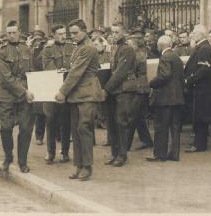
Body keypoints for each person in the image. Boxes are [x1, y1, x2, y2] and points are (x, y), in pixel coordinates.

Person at [55, 19, 105, 181]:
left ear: (85, 30)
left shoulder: (88, 48)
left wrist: (62, 91)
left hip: (87, 94)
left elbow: (76, 72)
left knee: (84, 129)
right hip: (77, 95)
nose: (73, 36)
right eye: (71, 33)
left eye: (76, 33)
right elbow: (73, 71)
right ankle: (79, 164)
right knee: (76, 130)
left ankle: (87, 166)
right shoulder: (79, 48)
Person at [0, 20, 35, 173]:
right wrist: (24, 91)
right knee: (5, 128)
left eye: (14, 32)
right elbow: (6, 77)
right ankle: (8, 156)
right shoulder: (1, 52)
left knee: (25, 129)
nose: (11, 35)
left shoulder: (27, 49)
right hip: (6, 95)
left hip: (25, 95)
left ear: (19, 32)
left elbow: (32, 72)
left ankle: (22, 162)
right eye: (8, 33)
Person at [146, 35, 185, 162]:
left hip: (165, 97)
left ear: (160, 45)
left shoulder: (165, 57)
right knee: (174, 127)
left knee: (161, 126)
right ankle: (174, 154)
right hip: (177, 97)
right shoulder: (176, 57)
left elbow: (164, 75)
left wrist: (152, 83)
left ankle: (159, 154)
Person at [103, 23, 137, 167]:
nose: (114, 35)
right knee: (111, 122)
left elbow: (120, 72)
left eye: (117, 32)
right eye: (112, 32)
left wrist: (106, 89)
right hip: (114, 90)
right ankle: (114, 153)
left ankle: (122, 155)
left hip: (123, 89)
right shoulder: (114, 48)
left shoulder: (127, 49)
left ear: (124, 33)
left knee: (121, 122)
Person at [41, 24, 74, 164]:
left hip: (67, 90)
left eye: (64, 33)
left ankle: (65, 152)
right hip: (52, 90)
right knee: (51, 122)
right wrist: (62, 71)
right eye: (59, 34)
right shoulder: (48, 50)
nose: (63, 36)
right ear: (53, 35)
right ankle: (51, 152)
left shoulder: (71, 47)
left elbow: (74, 66)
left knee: (66, 123)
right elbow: (48, 67)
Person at [184, 24, 211, 152]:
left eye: (194, 32)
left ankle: (199, 144)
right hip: (200, 88)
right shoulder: (202, 47)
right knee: (198, 115)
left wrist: (189, 80)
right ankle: (198, 143)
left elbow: (203, 69)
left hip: (203, 88)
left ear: (201, 34)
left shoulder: (204, 48)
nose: (192, 34)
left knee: (201, 116)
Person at [127, 28, 154, 151]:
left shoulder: (136, 55)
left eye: (130, 43)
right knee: (139, 117)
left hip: (138, 88)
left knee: (132, 117)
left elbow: (131, 71)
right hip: (143, 87)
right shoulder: (141, 53)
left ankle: (125, 144)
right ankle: (147, 140)